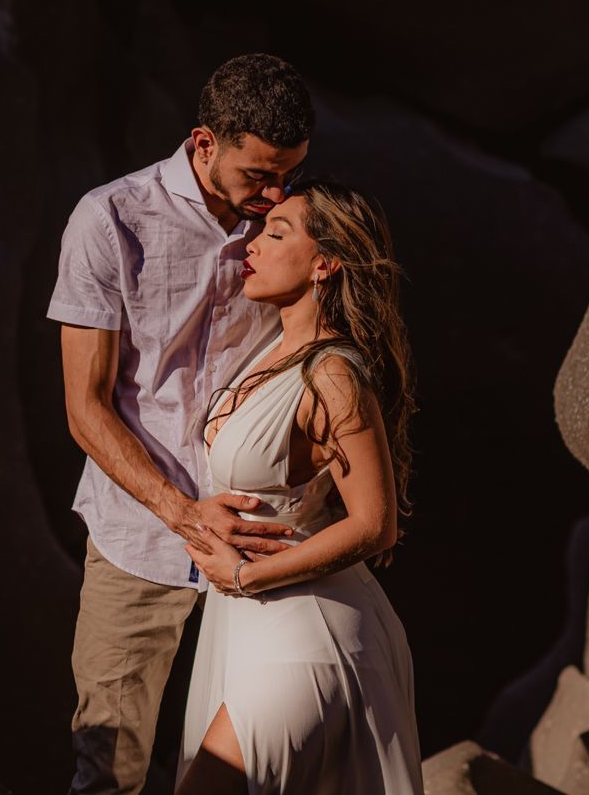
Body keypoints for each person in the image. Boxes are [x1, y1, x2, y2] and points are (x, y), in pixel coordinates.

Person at [51, 53, 316, 795]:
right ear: (205, 143)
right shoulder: (109, 220)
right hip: (140, 541)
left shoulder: (295, 220)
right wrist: (182, 515)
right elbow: (85, 406)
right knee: (110, 766)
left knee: (261, 766)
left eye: (289, 174)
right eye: (258, 175)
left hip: (268, 538)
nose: (274, 194)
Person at [177, 181, 422, 795]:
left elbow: (375, 523)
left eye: (276, 232)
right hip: (250, 626)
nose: (252, 245)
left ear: (324, 263)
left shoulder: (332, 372)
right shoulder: (270, 349)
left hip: (308, 637)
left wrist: (246, 577)